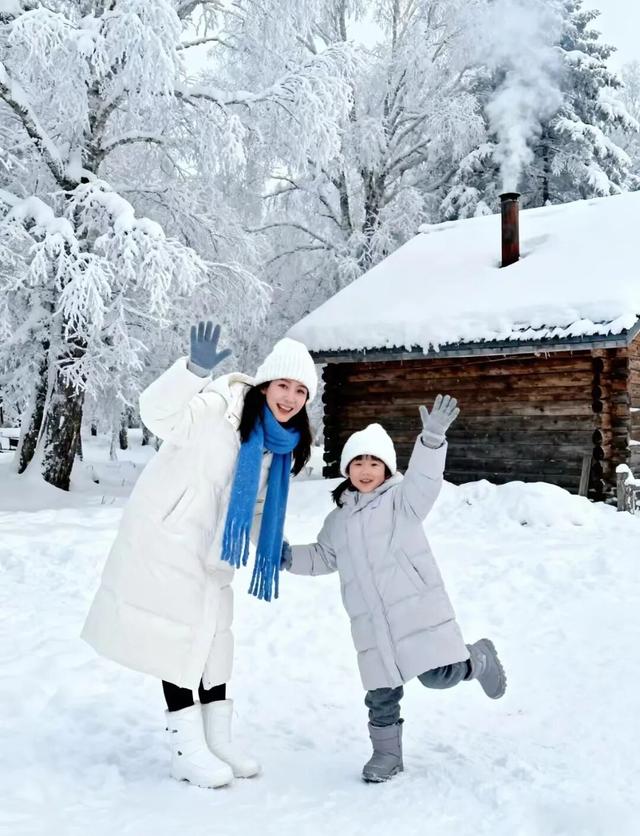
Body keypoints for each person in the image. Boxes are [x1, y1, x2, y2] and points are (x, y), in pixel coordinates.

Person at [82, 321, 317, 789]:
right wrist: (191, 373)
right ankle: (186, 748)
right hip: (169, 535)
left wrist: (271, 545)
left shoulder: (281, 446)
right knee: (178, 638)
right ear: (266, 383)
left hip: (216, 548)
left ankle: (217, 738)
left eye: (301, 391)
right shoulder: (218, 405)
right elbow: (159, 416)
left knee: (213, 639)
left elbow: (251, 508)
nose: (290, 398)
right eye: (283, 386)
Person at [282, 396, 507, 782]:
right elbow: (323, 556)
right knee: (380, 693)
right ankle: (387, 755)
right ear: (346, 469)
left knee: (438, 676)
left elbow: (424, 480)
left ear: (387, 469)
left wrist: (432, 440)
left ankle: (478, 659)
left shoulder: (403, 502)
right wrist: (288, 558)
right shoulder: (338, 520)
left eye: (374, 463)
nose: (366, 470)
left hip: (415, 612)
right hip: (370, 622)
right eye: (358, 462)